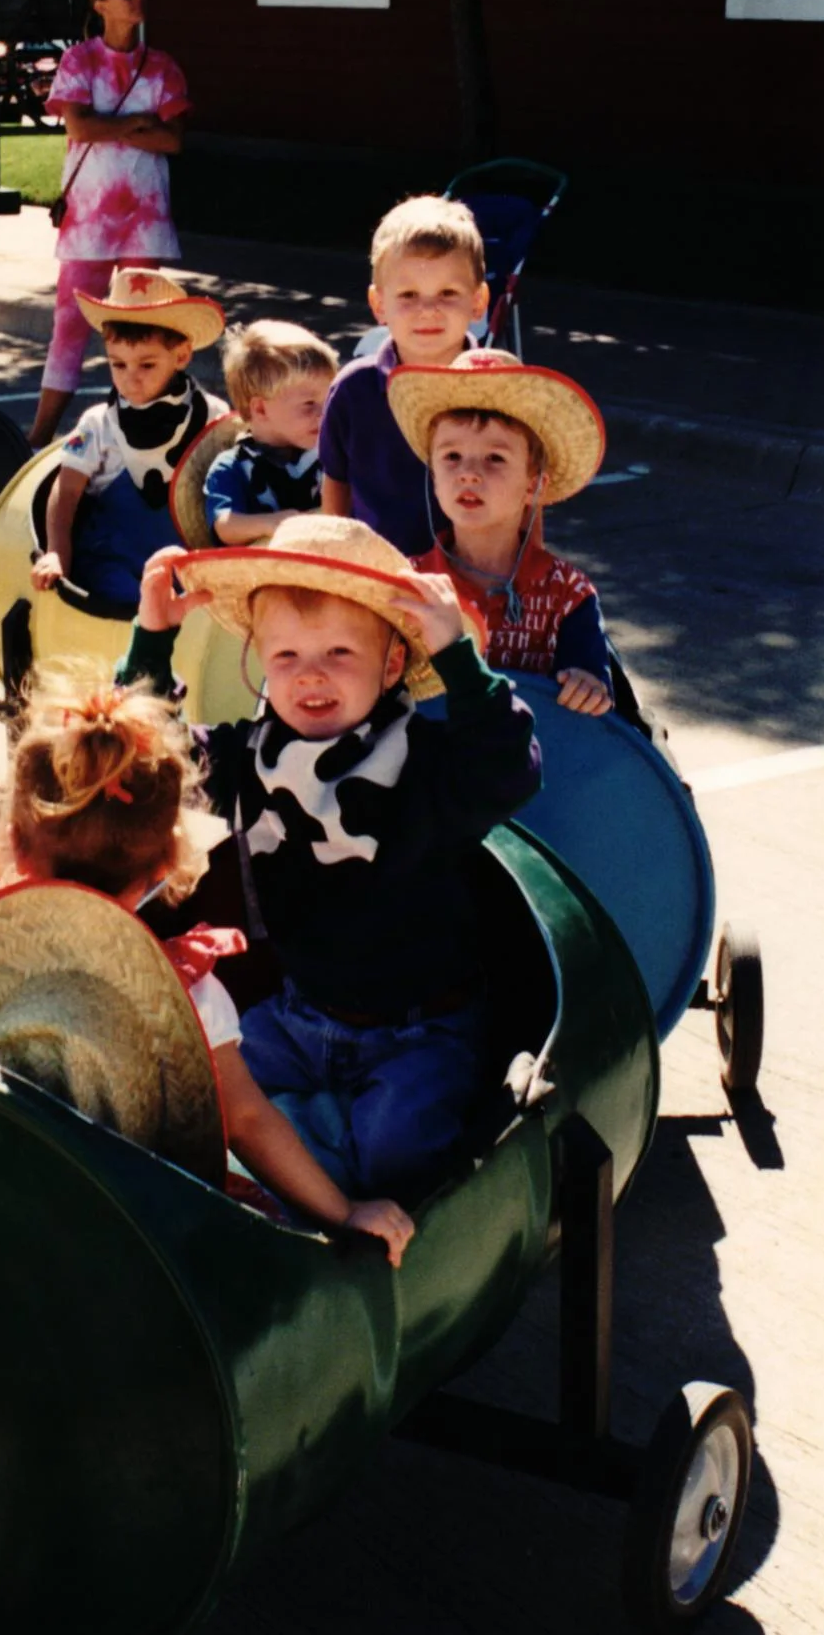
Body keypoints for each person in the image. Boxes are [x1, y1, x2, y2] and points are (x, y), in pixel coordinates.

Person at [0, 658, 414, 1266]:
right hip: (126, 1249)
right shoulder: (184, 995)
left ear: (16, 842)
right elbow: (246, 1119)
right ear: (165, 863)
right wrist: (343, 1211)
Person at [121, 514, 541, 1206]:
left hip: (420, 1030)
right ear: (260, 661)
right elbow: (147, 759)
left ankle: (317, 1153)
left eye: (340, 653)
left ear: (392, 664)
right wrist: (152, 637)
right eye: (285, 656)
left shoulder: (426, 763)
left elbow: (509, 770)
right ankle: (309, 1147)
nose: (310, 675)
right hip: (300, 1014)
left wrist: (459, 659)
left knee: (396, 1156)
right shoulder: (251, 756)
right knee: (194, 1096)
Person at [391, 350, 614, 714]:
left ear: (533, 485)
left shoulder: (569, 594)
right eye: (451, 457)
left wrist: (588, 686)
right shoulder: (407, 587)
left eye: (495, 458)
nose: (468, 473)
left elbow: (595, 705)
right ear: (433, 476)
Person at [28, 0, 191, 451]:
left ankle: (138, 434)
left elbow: (173, 141)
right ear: (99, 4)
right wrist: (139, 123)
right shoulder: (79, 61)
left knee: (141, 330)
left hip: (144, 219)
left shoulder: (162, 66)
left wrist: (112, 128)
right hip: (88, 219)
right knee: (70, 325)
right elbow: (79, 127)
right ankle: (39, 436)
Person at [30, 268, 228, 605]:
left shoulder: (212, 415)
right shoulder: (98, 423)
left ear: (181, 356)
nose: (130, 379)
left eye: (147, 365)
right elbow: (66, 490)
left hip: (184, 562)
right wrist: (57, 552)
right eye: (118, 365)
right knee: (136, 605)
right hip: (112, 563)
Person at [319, 194, 488, 556]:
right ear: (379, 304)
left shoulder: (500, 389)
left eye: (448, 293)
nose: (428, 309)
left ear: (478, 301)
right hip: (379, 573)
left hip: (477, 575)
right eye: (408, 295)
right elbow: (336, 483)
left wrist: (529, 570)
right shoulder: (353, 391)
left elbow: (528, 493)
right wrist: (334, 563)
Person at [203, 320, 339, 545]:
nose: (323, 414)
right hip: (267, 564)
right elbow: (225, 524)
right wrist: (270, 523)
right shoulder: (233, 466)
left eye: (328, 401)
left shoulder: (329, 453)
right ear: (260, 409)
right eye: (309, 404)